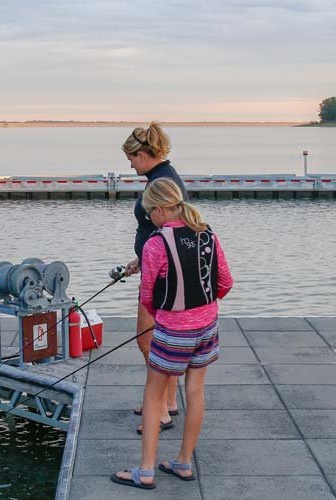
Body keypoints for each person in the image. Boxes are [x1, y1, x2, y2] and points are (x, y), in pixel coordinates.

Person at [112, 178, 232, 490]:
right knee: (195, 392)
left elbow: (148, 296)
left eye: (150, 211)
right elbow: (225, 283)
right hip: (207, 327)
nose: (148, 217)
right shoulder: (207, 233)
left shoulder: (156, 243)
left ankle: (146, 470)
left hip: (173, 331)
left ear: (163, 209)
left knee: (153, 396)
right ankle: (183, 461)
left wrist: (165, 313)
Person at [121, 122, 186, 432]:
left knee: (147, 340)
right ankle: (169, 400)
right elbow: (159, 230)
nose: (130, 164)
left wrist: (150, 261)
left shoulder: (161, 182)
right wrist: (139, 258)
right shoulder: (162, 178)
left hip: (161, 275)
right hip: (157, 266)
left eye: (131, 158)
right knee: (162, 340)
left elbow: (172, 228)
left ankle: (158, 409)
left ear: (144, 154)